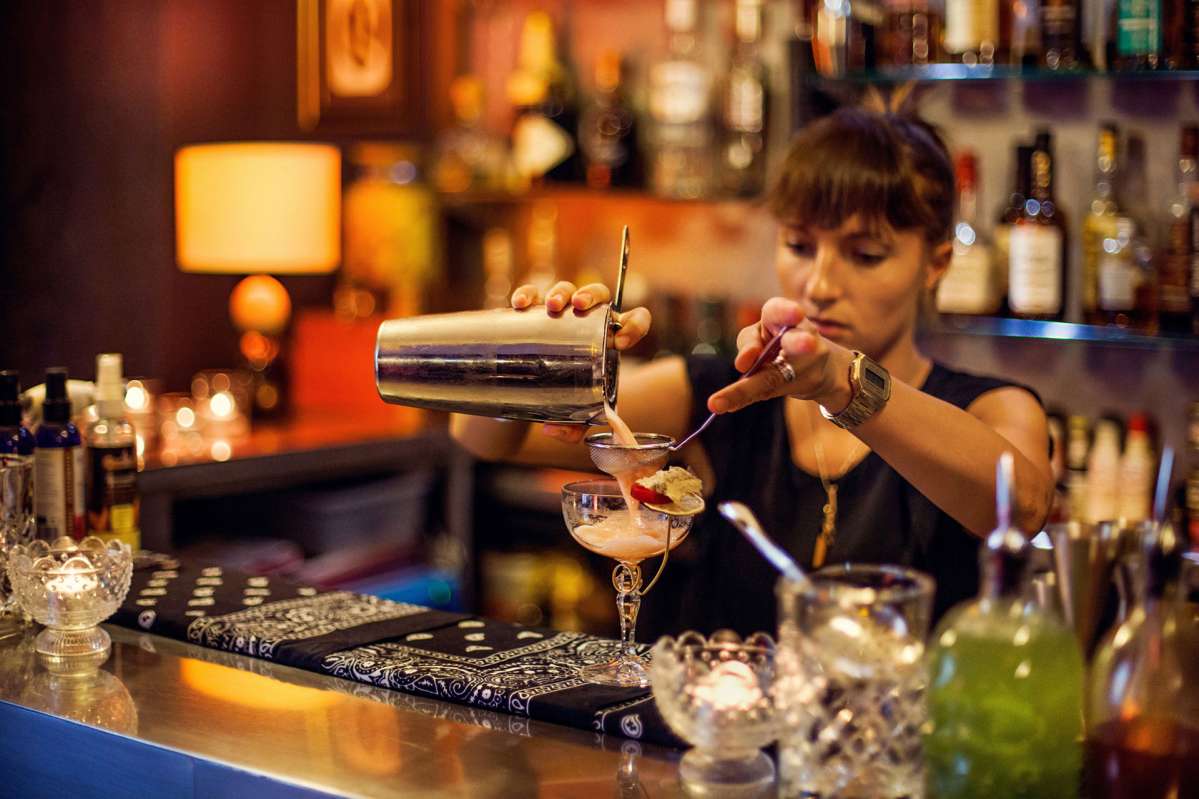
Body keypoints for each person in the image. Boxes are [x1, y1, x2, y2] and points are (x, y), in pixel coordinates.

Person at [452, 95, 1053, 636]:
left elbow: (1022, 508)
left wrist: (844, 385)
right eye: (799, 246)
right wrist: (534, 352)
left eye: (866, 254)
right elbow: (482, 436)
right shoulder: (721, 396)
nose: (820, 284)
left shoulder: (987, 405)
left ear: (936, 264)